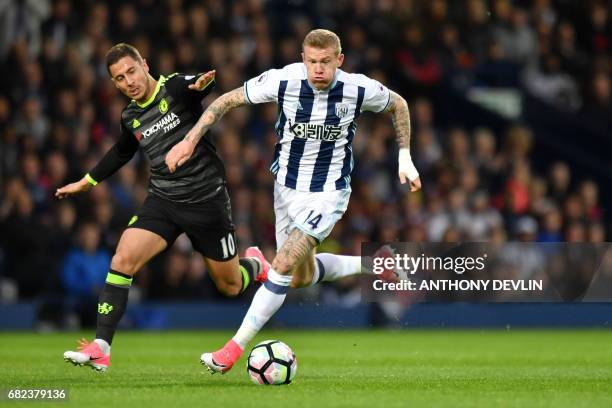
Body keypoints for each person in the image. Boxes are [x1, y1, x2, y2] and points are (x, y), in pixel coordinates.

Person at [166, 29, 421, 373]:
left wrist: (404, 156)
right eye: (312, 61)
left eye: (326, 62)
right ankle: (375, 264)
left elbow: (398, 104)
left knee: (284, 263)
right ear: (303, 59)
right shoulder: (282, 80)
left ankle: (232, 349)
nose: (318, 69)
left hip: (328, 193)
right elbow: (225, 101)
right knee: (301, 276)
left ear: (339, 61)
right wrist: (190, 141)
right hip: (285, 189)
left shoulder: (357, 88)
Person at [59, 43, 267, 372]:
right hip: (163, 201)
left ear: (145, 63)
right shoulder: (130, 116)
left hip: (206, 202)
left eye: (131, 71)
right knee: (123, 258)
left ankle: (254, 264)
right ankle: (101, 346)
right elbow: (121, 152)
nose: (129, 81)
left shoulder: (173, 87)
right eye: (119, 78)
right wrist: (86, 182)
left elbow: (197, 84)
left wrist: (203, 83)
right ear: (114, 84)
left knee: (230, 285)